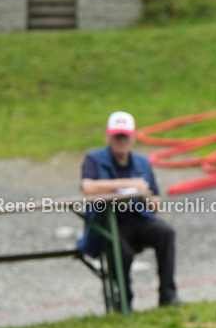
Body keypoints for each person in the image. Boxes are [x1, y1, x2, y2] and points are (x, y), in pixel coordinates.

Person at [77, 111, 182, 309]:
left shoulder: (143, 163)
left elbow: (156, 202)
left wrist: (147, 198)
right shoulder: (94, 159)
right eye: (117, 136)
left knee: (166, 233)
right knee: (119, 250)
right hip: (108, 222)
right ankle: (124, 300)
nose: (121, 141)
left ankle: (168, 295)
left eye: (125, 136)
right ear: (108, 136)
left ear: (132, 137)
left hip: (138, 218)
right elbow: (88, 187)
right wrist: (128, 183)